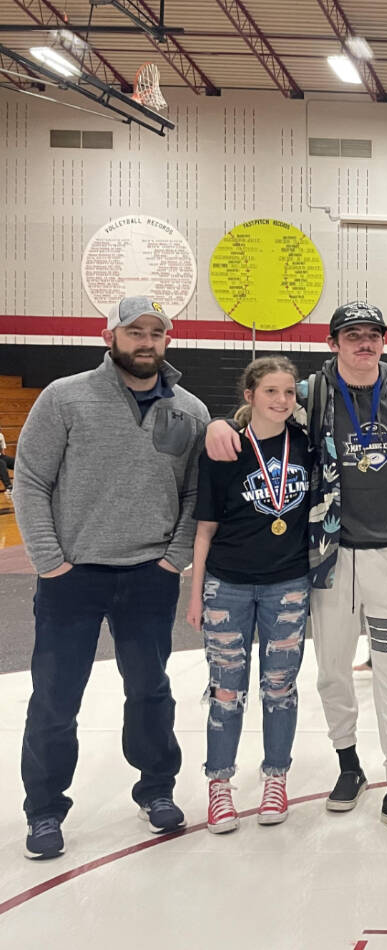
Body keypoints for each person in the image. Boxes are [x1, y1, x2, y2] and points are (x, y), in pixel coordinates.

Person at [205, 301, 387, 839]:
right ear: (333, 343)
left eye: (373, 334)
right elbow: (259, 412)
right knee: (333, 669)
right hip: (329, 556)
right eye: (352, 334)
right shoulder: (309, 394)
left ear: (383, 341)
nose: (364, 343)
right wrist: (221, 419)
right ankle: (348, 765)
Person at [14, 295, 209, 860]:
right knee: (55, 696)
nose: (146, 341)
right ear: (110, 337)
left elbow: (196, 494)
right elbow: (29, 480)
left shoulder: (189, 410)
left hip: (150, 575)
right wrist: (50, 560)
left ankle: (156, 790)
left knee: (150, 690)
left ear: (166, 341)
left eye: (156, 332)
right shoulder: (65, 397)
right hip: (73, 576)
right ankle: (45, 809)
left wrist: (174, 557)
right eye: (135, 331)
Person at [187, 356, 310, 833]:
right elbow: (205, 530)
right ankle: (219, 784)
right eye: (271, 392)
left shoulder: (305, 444)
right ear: (250, 397)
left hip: (288, 583)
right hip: (228, 585)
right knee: (226, 689)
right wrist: (195, 595)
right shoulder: (224, 449)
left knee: (280, 687)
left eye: (289, 392)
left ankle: (276, 778)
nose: (282, 400)